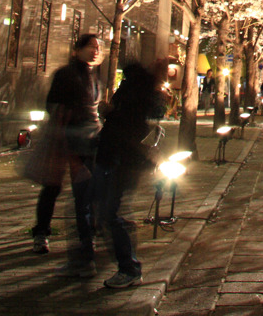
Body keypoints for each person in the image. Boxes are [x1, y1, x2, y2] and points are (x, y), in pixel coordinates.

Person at [30, 33, 102, 274]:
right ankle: (42, 232)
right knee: (53, 187)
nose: (95, 51)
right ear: (77, 49)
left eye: (97, 47)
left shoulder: (92, 76)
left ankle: (86, 241)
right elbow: (53, 105)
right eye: (91, 47)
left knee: (84, 194)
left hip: (89, 140)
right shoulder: (66, 74)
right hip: (66, 139)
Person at [94, 62, 166, 289]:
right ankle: (124, 261)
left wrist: (110, 114)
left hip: (120, 159)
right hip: (121, 159)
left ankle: (129, 267)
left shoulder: (134, 93)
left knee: (111, 212)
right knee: (108, 210)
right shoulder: (146, 93)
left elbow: (125, 128)